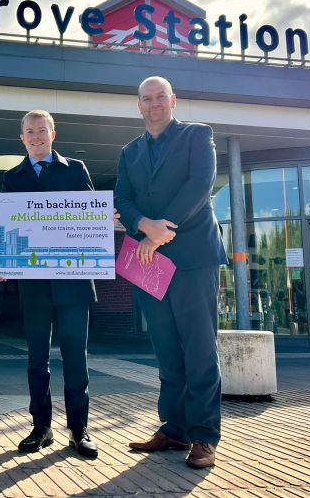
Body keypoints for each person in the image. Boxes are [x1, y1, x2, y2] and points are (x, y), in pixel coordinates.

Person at [114, 76, 227, 469]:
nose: (155, 103)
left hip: (194, 258)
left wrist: (161, 230)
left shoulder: (197, 135)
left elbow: (200, 185)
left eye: (161, 96)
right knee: (165, 347)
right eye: (147, 98)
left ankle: (204, 436)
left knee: (199, 347)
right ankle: (174, 428)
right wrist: (144, 225)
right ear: (139, 106)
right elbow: (121, 198)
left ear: (173, 100)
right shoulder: (129, 151)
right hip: (149, 261)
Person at [0, 110, 108, 458]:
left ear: (53, 134)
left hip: (73, 282)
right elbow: (7, 227)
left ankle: (79, 430)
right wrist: (1, 259)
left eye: (41, 131)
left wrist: (103, 220)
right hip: (34, 283)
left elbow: (90, 216)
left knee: (77, 357)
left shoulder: (76, 169)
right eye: (29, 132)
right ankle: (40, 428)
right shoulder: (12, 177)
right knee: (36, 360)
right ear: (22, 138)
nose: (36, 136)